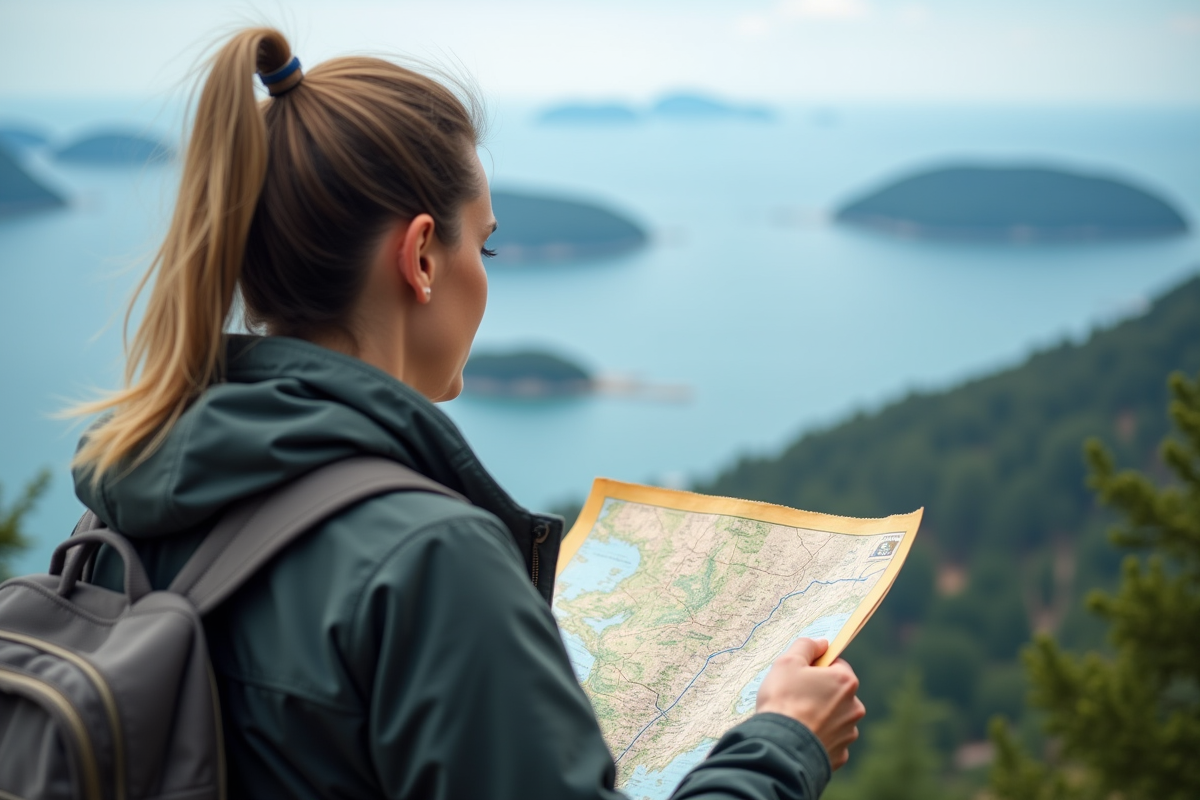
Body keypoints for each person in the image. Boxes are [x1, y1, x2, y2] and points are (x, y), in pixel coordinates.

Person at [72, 26, 866, 799]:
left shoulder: (128, 498)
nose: (485, 277)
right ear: (420, 257)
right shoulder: (427, 562)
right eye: (481, 248)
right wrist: (784, 742)